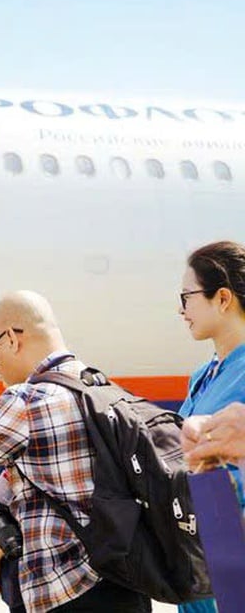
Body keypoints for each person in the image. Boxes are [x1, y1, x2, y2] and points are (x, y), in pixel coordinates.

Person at [0, 291, 151, 612]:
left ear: (11, 339)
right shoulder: (97, 387)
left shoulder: (25, 401)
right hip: (122, 582)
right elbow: (29, 448)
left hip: (67, 593)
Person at [174, 240, 245, 613]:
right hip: (199, 546)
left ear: (222, 298)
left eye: (187, 296)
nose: (181, 309)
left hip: (233, 541)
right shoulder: (203, 375)